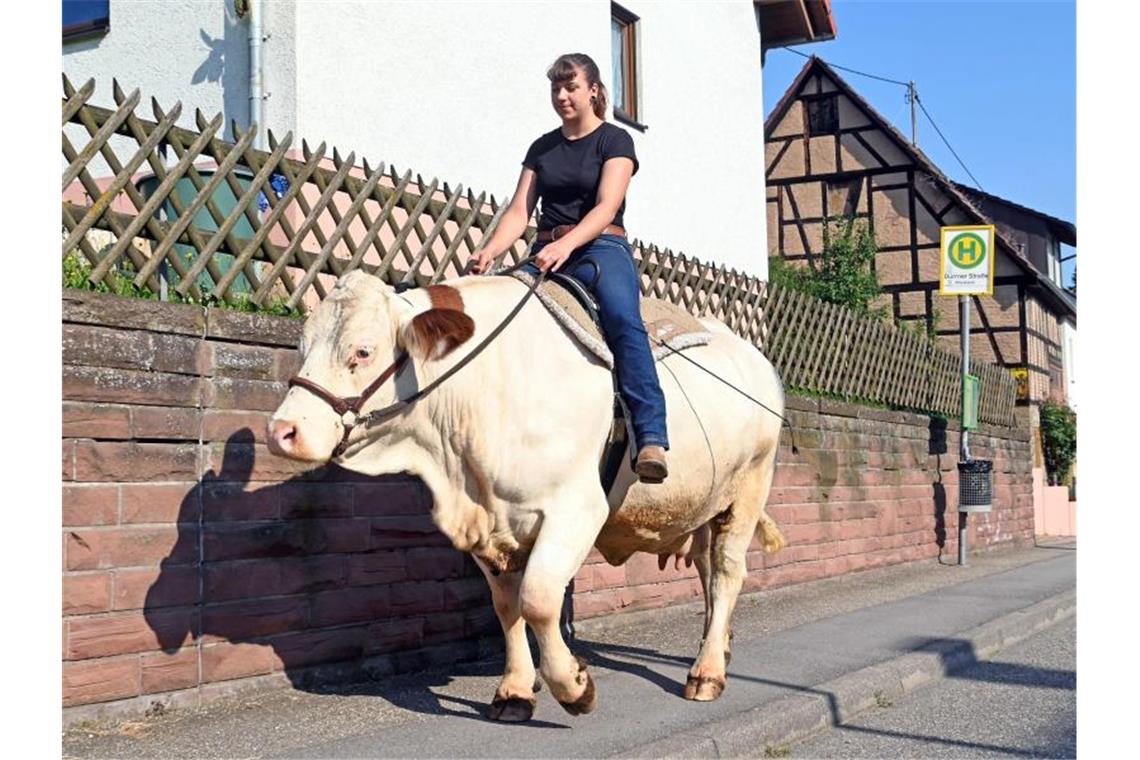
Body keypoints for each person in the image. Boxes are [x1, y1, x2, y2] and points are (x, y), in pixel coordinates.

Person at [469, 53, 669, 483]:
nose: (562, 96)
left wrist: (568, 246)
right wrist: (492, 251)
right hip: (544, 250)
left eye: (571, 87)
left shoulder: (614, 141)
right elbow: (519, 210)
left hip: (601, 247)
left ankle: (651, 435)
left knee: (622, 317)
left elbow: (606, 206)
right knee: (496, 310)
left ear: (593, 90)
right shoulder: (541, 148)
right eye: (556, 89)